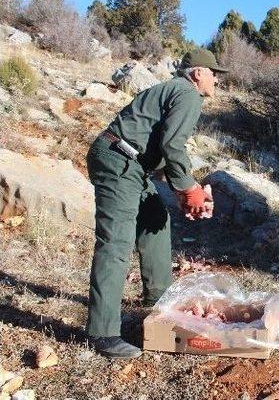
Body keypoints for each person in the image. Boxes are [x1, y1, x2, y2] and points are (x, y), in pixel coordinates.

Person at [85, 48, 228, 358]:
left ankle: (158, 301)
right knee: (115, 243)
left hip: (131, 163)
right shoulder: (188, 93)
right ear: (198, 73)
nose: (217, 79)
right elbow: (172, 144)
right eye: (214, 72)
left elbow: (159, 149)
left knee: (155, 223)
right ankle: (103, 333)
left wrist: (185, 192)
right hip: (119, 162)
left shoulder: (174, 91)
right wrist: (189, 188)